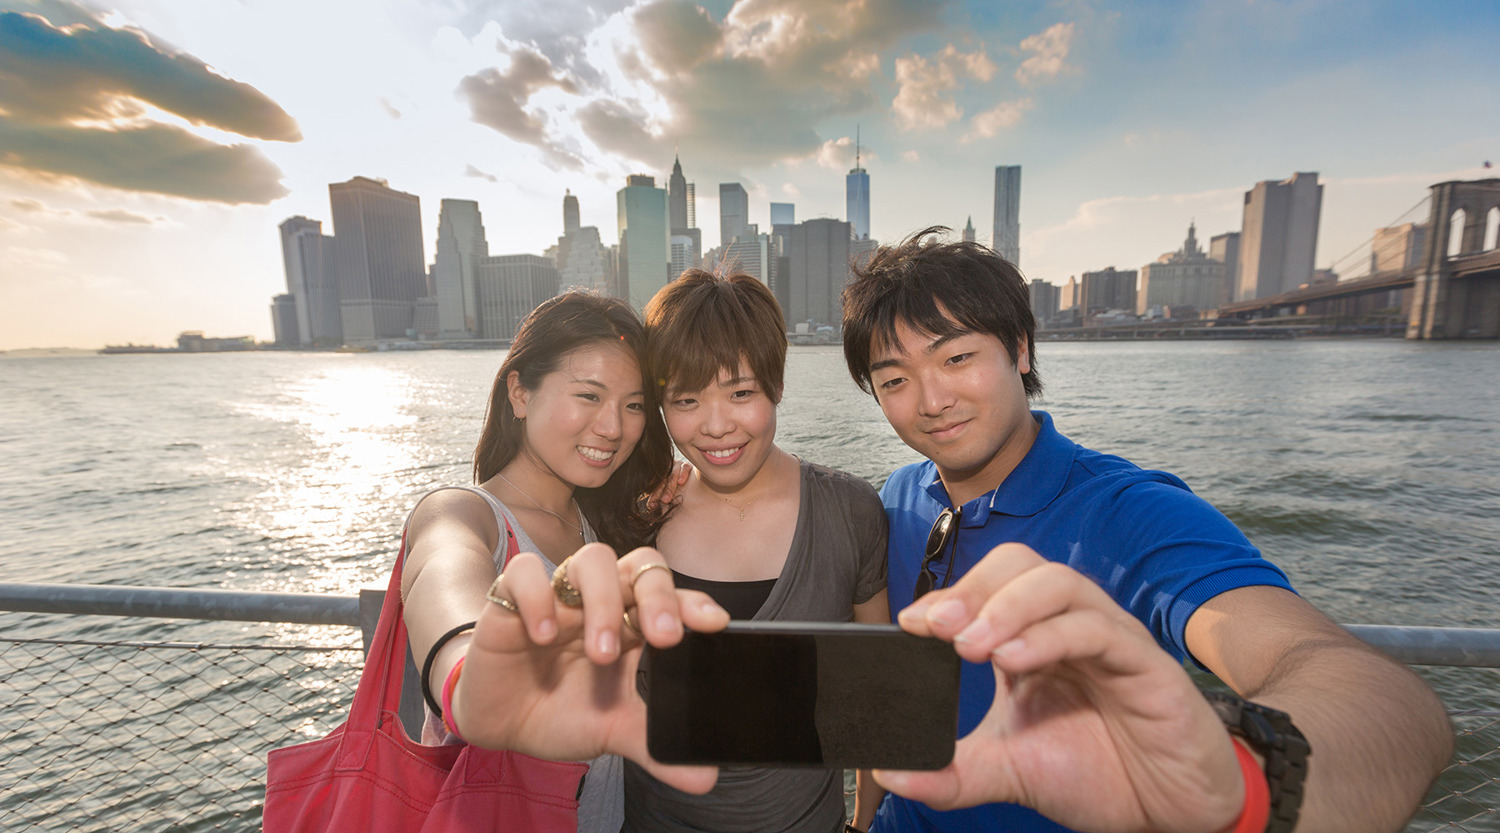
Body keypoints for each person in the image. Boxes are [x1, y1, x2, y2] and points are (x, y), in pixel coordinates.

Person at [836, 228, 1453, 833]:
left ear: (1020, 349)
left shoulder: (1130, 514)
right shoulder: (898, 496)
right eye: (894, 380)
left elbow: (1374, 695)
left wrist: (1238, 788)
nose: (931, 399)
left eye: (957, 357)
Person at [399, 291, 675, 833]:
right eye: (589, 396)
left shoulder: (600, 525)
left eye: (635, 404)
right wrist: (469, 676)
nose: (614, 427)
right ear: (519, 392)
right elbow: (444, 570)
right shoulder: (464, 512)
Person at [625, 269, 890, 832]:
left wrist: (864, 822)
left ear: (777, 384)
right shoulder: (641, 513)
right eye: (687, 400)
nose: (717, 426)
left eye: (741, 392)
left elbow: (874, 697)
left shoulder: (849, 511)